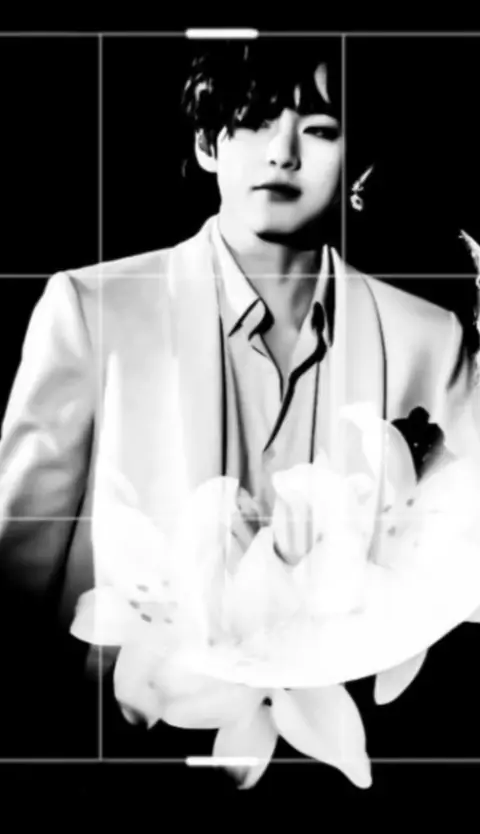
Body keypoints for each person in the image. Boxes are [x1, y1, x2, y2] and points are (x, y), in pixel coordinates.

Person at [0, 38, 478, 763]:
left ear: (358, 163)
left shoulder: (431, 340)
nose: (283, 153)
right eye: (254, 122)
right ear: (206, 144)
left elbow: (464, 579)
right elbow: (15, 579)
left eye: (320, 129)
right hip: (110, 750)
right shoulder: (92, 311)